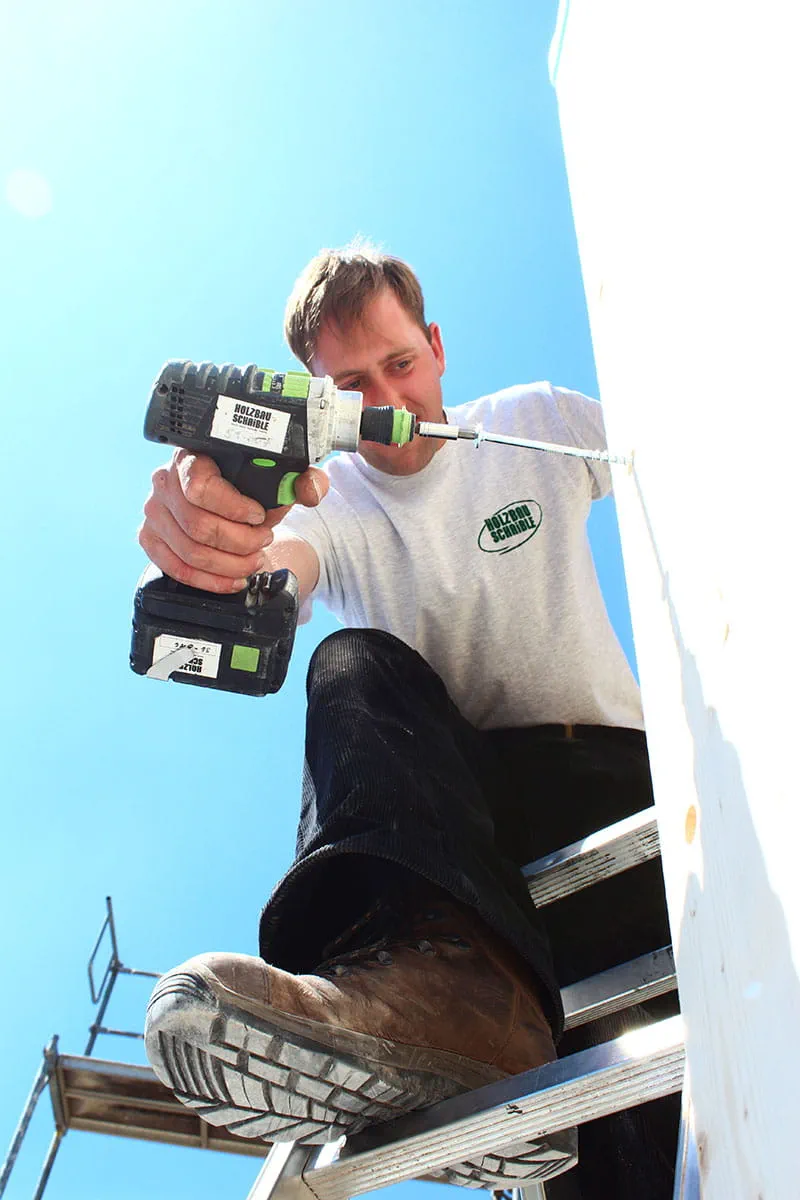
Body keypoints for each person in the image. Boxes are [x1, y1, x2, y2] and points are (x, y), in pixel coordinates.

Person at [140, 242, 679, 1197]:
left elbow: (679, 459)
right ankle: (436, 1000)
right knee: (347, 666)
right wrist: (216, 549)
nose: (389, 400)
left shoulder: (535, 421)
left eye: (401, 364)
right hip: (466, 867)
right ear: (317, 399)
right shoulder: (328, 500)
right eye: (352, 385)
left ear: (436, 347)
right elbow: (280, 567)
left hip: (609, 786)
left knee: (686, 1129)